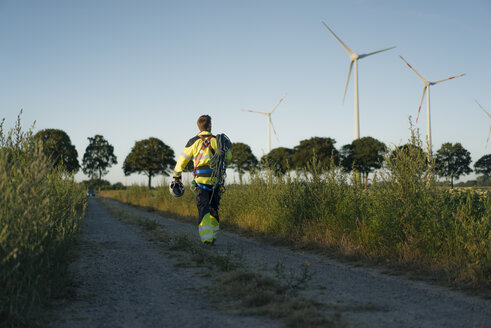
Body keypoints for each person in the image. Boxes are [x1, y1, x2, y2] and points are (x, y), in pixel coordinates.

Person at [172, 115, 232, 245]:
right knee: (214, 208)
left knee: (203, 209)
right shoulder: (218, 141)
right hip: (216, 181)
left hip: (201, 182)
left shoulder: (193, 141)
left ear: (199, 126)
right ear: (209, 125)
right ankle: (213, 235)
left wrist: (176, 176)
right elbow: (229, 157)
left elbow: (182, 160)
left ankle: (207, 239)